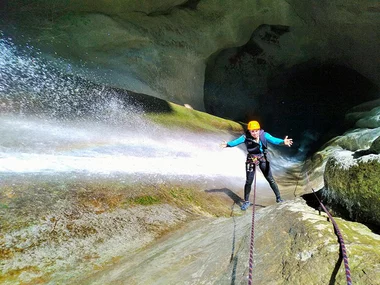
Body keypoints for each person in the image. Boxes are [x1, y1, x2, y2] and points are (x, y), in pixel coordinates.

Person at [221, 120, 293, 210]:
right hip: (251, 159)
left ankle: (279, 198)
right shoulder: (245, 137)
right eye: (252, 131)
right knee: (248, 181)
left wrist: (283, 142)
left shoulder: (264, 135)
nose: (255, 133)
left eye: (256, 130)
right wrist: (227, 144)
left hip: (262, 158)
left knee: (270, 179)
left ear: (259, 130)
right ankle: (246, 201)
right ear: (249, 131)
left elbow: (274, 140)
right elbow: (235, 142)